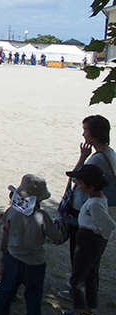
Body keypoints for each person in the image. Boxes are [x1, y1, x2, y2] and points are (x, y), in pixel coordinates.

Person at [58, 115, 116, 302]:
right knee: (90, 259)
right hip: (96, 208)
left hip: (83, 209)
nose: (83, 133)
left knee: (79, 253)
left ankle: (77, 292)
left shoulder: (97, 159)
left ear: (95, 134)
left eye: (86, 130)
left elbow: (76, 178)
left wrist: (82, 157)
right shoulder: (110, 153)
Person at [0, 174, 60, 315]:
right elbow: (56, 237)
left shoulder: (12, 211)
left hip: (13, 258)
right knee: (34, 298)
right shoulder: (42, 216)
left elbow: (6, 228)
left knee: (5, 294)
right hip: (35, 262)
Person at [62, 164, 115, 315]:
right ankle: (88, 309)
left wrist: (96, 237)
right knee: (91, 275)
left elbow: (108, 225)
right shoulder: (96, 199)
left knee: (78, 278)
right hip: (90, 238)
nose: (77, 186)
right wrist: (77, 222)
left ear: (91, 187)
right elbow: (92, 221)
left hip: (89, 241)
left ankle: (78, 313)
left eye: (79, 183)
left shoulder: (95, 204)